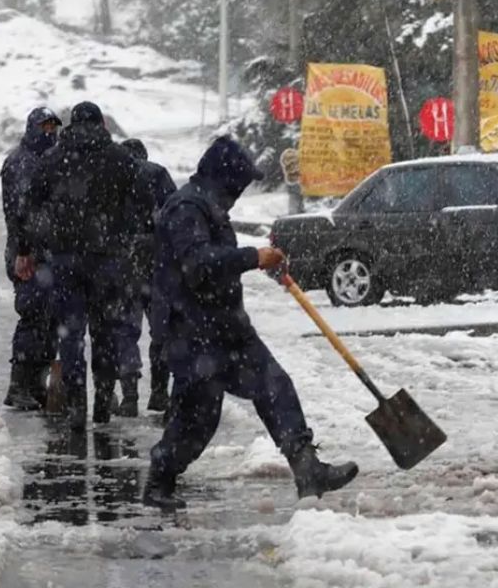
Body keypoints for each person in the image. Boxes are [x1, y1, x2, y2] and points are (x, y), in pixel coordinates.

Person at [142, 136, 358, 510]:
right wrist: (253, 256)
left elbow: (218, 259)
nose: (240, 193)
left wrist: (262, 261)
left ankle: (307, 468)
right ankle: (160, 480)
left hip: (227, 326)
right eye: (238, 184)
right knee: (197, 420)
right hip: (193, 334)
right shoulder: (185, 209)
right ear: (224, 178)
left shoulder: (206, 205)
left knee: (275, 386)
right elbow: (198, 264)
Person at [16, 102, 150, 430]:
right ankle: (103, 402)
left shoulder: (52, 159)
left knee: (71, 334)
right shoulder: (122, 160)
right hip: (108, 260)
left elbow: (29, 207)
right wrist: (132, 241)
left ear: (72, 125)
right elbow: (145, 206)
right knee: (105, 331)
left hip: (65, 260)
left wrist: (26, 250)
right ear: (102, 123)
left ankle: (77, 404)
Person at [0, 107, 62, 410]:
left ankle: (35, 384)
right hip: (27, 253)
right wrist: (25, 253)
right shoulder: (20, 163)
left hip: (48, 253)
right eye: (45, 126)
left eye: (53, 127)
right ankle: (19, 385)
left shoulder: (50, 160)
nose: (50, 132)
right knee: (32, 316)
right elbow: (19, 213)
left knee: (49, 320)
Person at [120, 138, 178, 414]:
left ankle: (129, 396)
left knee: (126, 330)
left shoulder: (114, 174)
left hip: (124, 261)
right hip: (157, 261)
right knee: (162, 329)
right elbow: (176, 215)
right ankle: (159, 392)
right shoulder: (157, 173)